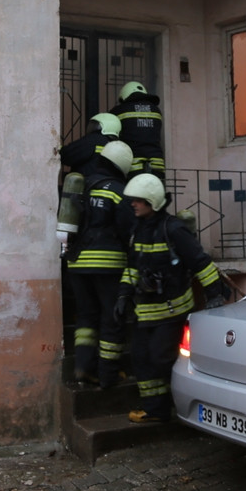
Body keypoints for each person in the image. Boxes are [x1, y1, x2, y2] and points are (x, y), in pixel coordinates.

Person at [115, 173, 229, 423]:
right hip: (145, 312)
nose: (133, 204)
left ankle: (183, 405)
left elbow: (201, 263)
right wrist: (123, 294)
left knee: (161, 358)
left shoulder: (174, 230)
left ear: (152, 201)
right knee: (141, 358)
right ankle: (155, 410)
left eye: (138, 200)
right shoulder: (138, 230)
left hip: (172, 311)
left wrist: (215, 295)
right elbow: (133, 268)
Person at [67, 139, 136, 389]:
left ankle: (83, 368)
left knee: (86, 318)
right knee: (111, 318)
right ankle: (108, 374)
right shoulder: (119, 191)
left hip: (77, 264)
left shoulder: (82, 185)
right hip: (108, 265)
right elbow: (129, 231)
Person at [110, 81, 165, 176]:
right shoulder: (156, 110)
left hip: (133, 165)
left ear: (125, 94)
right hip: (157, 164)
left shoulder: (119, 110)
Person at [60, 112, 121, 178]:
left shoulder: (94, 139)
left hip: (89, 182)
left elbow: (68, 155)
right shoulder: (118, 146)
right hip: (110, 182)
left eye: (96, 125)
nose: (92, 127)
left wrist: (59, 150)